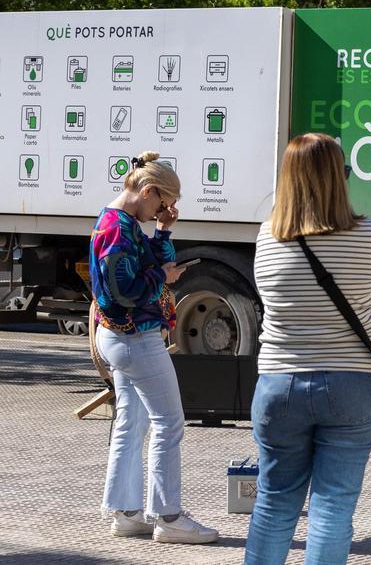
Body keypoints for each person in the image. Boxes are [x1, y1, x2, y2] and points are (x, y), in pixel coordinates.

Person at [245, 133, 371, 564]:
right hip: (352, 384)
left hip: (279, 384)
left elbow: (270, 299)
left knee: (274, 503)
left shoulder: (267, 236)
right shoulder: (366, 233)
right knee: (333, 506)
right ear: (339, 177)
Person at [90, 151, 218, 544]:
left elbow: (140, 270)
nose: (163, 211)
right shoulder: (118, 229)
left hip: (119, 337)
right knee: (169, 423)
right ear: (147, 191)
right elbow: (121, 292)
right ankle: (169, 516)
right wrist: (161, 275)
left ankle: (126, 512)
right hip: (135, 337)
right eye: (162, 204)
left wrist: (162, 233)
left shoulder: (118, 223)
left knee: (133, 421)